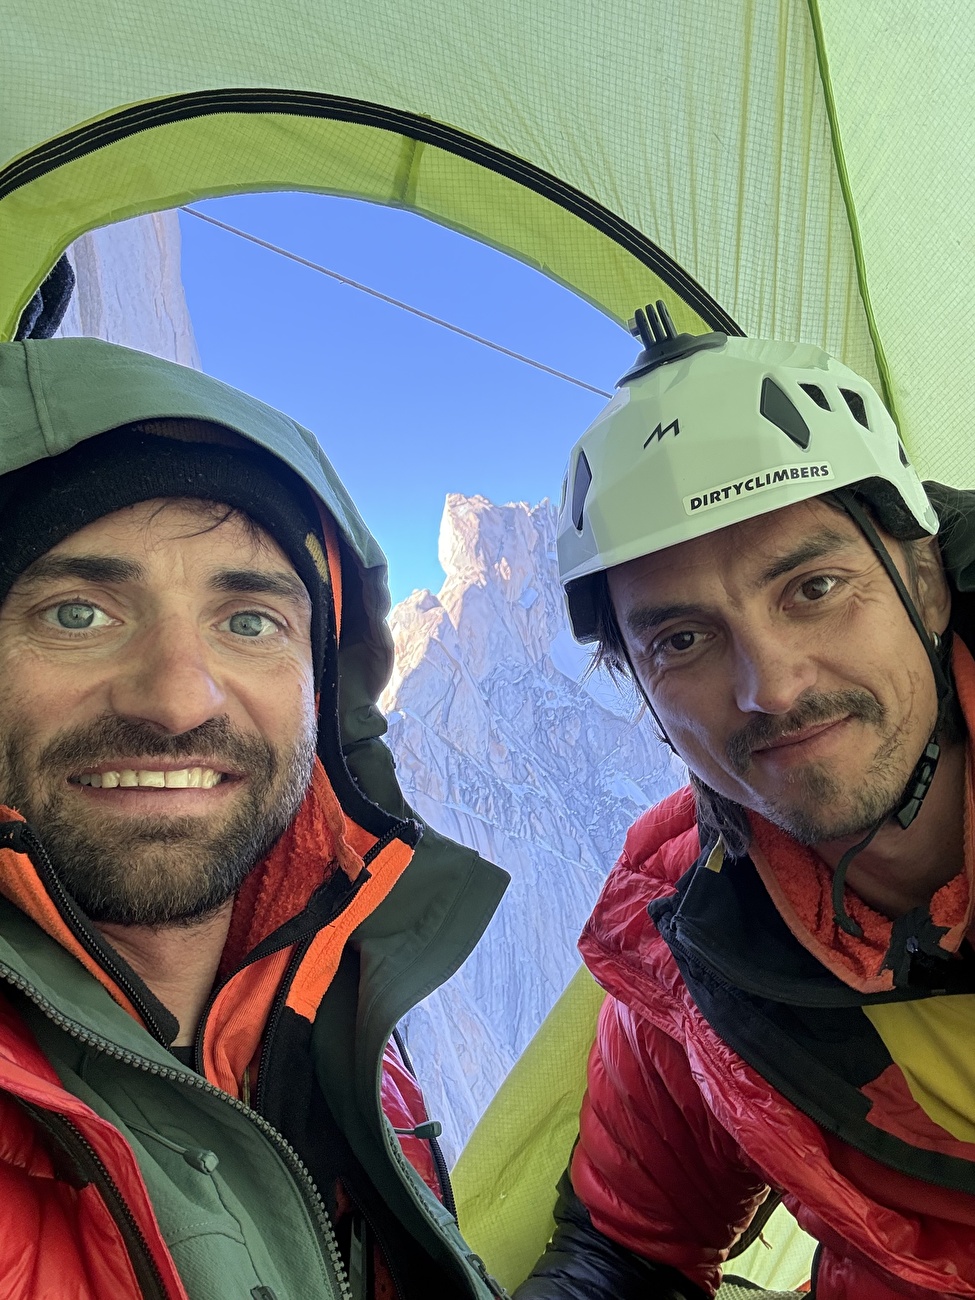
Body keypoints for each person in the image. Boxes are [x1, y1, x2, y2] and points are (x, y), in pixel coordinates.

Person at [0, 336, 509, 1300]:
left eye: (249, 622)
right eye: (77, 612)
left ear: (322, 697)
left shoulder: (342, 1018)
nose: (178, 700)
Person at [518, 304, 975, 1299]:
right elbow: (623, 1252)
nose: (772, 684)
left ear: (926, 580)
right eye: (681, 641)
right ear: (641, 691)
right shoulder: (691, 940)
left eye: (812, 587)